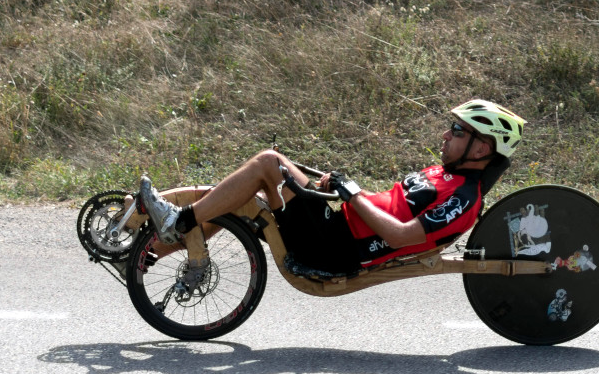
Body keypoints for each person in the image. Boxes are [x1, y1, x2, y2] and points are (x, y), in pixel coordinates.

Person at [138, 99, 526, 274]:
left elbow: (403, 235)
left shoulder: (463, 198)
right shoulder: (447, 174)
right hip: (334, 226)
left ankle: (180, 220)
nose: (445, 134)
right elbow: (391, 205)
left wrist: (353, 194)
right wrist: (338, 189)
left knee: (267, 164)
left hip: (337, 248)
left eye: (457, 131)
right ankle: (151, 252)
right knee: (255, 184)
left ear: (482, 147)